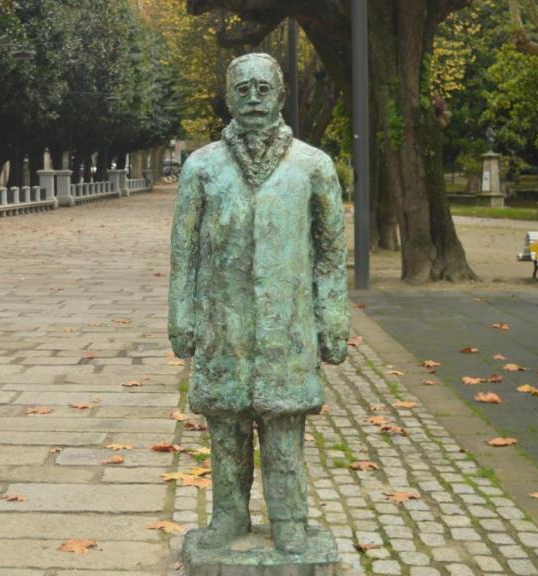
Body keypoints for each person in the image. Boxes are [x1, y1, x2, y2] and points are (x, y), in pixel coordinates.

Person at [169, 53, 348, 555]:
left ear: (280, 95)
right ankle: (228, 515)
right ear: (227, 97)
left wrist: (331, 315)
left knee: (283, 426)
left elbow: (331, 252)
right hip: (221, 320)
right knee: (224, 427)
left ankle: (290, 518)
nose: (252, 97)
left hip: (285, 323)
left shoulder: (313, 165)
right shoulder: (202, 165)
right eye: (242, 89)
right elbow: (184, 251)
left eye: (262, 89)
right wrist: (181, 313)